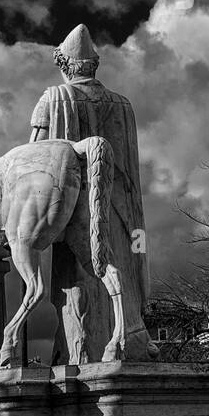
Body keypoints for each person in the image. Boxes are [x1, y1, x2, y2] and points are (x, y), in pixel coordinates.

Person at [30, 25, 154, 363]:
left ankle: (82, 352)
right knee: (120, 273)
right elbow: (130, 169)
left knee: (80, 285)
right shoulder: (123, 105)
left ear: (64, 64)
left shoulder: (53, 99)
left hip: (76, 213)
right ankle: (130, 340)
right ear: (94, 64)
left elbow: (31, 164)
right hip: (122, 210)